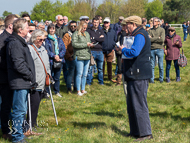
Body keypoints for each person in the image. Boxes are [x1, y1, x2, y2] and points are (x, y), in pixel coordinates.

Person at [119, 16, 153, 142]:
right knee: (132, 104)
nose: (125, 27)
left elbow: (134, 52)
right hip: (133, 74)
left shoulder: (140, 35)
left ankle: (145, 133)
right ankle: (135, 131)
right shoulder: (136, 34)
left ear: (133, 24)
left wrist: (123, 49)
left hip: (139, 75)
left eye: (126, 24)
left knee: (139, 104)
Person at [6, 18, 37, 143]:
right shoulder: (15, 43)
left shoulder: (20, 42)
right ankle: (18, 137)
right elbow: (18, 64)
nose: (29, 29)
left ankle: (20, 134)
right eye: (26, 27)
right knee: (19, 111)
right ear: (20, 30)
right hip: (19, 81)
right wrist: (30, 75)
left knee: (21, 110)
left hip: (23, 81)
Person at [27, 29, 50, 128]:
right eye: (40, 39)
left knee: (37, 105)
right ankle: (29, 124)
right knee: (33, 104)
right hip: (34, 82)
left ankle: (34, 123)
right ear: (34, 39)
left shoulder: (43, 49)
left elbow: (47, 63)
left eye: (43, 39)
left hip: (42, 82)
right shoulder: (30, 49)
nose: (42, 41)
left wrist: (48, 74)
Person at [0, 14, 17, 141]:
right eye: (16, 23)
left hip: (8, 77)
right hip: (4, 79)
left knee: (7, 105)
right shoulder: (3, 40)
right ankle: (5, 131)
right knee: (5, 106)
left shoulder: (10, 38)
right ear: (11, 25)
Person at [72, 21, 93, 96]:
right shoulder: (75, 34)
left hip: (87, 55)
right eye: (84, 28)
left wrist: (90, 44)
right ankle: (78, 90)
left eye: (86, 28)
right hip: (79, 56)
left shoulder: (87, 34)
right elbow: (74, 44)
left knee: (85, 74)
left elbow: (88, 42)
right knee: (79, 74)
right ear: (80, 27)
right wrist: (85, 44)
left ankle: (83, 89)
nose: (85, 29)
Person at [45, 23, 66, 97]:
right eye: (50, 28)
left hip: (59, 60)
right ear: (48, 29)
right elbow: (46, 50)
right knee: (50, 77)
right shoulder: (46, 39)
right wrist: (54, 56)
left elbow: (63, 49)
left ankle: (57, 91)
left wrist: (59, 56)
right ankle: (47, 92)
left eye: (53, 29)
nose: (52, 30)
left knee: (57, 77)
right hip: (50, 60)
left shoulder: (59, 39)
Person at [86, 17, 105, 86]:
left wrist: (94, 38)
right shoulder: (88, 31)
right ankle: (89, 82)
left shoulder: (101, 30)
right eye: (94, 22)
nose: (96, 24)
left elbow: (103, 39)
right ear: (92, 23)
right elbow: (89, 40)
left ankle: (101, 82)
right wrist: (98, 38)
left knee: (100, 68)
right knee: (90, 68)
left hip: (100, 51)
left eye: (97, 22)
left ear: (99, 23)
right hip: (92, 51)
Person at [148, 17, 165, 83]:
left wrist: (153, 38)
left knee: (160, 65)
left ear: (158, 22)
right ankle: (152, 79)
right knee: (152, 65)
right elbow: (149, 40)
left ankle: (161, 79)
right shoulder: (150, 30)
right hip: (152, 49)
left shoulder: (162, 30)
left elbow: (162, 40)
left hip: (160, 49)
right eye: (153, 21)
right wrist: (158, 38)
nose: (153, 22)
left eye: (155, 21)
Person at [62, 21, 77, 93]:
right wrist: (68, 57)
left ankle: (76, 87)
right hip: (70, 56)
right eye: (71, 26)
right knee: (70, 73)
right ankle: (69, 88)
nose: (73, 27)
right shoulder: (67, 35)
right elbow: (64, 47)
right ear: (69, 27)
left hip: (78, 56)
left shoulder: (78, 34)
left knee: (77, 73)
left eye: (74, 26)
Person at [113, 21, 128, 85]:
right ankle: (118, 81)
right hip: (119, 52)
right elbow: (117, 41)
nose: (123, 27)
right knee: (119, 66)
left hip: (126, 52)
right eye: (122, 26)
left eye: (124, 26)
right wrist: (116, 47)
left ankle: (126, 80)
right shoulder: (119, 33)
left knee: (126, 66)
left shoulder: (128, 34)